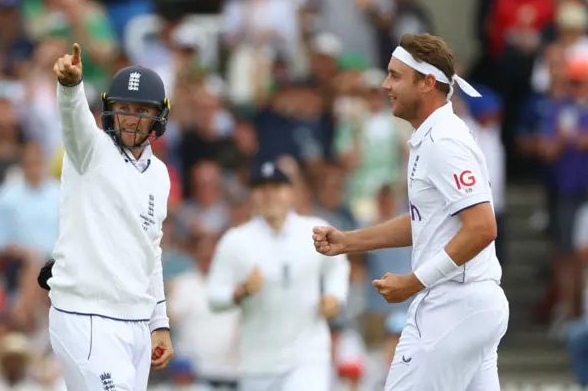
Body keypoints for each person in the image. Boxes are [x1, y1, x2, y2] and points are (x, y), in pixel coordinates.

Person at [312, 33, 509, 391]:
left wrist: (413, 282)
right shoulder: (431, 137)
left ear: (427, 82)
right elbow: (426, 221)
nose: (386, 85)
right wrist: (347, 242)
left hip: (453, 306)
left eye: (395, 75)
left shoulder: (443, 141)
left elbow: (482, 228)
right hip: (470, 306)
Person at [40, 43, 174, 390]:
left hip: (136, 322)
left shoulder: (159, 175)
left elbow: (151, 251)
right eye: (123, 108)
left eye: (142, 110)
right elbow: (74, 121)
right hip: (86, 316)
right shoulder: (89, 149)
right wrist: (70, 87)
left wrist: (159, 322)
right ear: (108, 110)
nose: (131, 118)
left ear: (159, 115)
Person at [207, 161, 350, 391]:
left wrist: (334, 296)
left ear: (291, 192)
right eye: (262, 189)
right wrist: (241, 292)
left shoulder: (314, 230)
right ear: (253, 195)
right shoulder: (236, 241)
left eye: (277, 188)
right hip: (257, 365)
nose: (269, 195)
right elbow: (214, 297)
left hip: (308, 358)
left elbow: (338, 265)